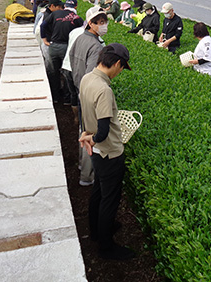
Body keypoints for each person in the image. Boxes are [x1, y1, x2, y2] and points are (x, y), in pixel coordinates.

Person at [78, 43, 135, 260]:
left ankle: (95, 231)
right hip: (109, 153)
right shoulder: (104, 90)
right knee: (109, 200)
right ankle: (106, 247)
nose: (120, 72)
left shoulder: (87, 78)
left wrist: (86, 135)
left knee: (98, 192)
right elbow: (102, 132)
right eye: (122, 68)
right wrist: (92, 139)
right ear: (117, 63)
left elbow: (85, 112)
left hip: (97, 153)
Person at [70, 6, 108, 186]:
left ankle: (81, 165)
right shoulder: (95, 46)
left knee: (83, 130)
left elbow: (71, 61)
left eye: (104, 21)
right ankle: (87, 176)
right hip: (89, 96)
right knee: (91, 134)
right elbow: (92, 76)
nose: (103, 25)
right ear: (90, 23)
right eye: (99, 22)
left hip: (80, 90)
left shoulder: (80, 38)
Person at [41, 0, 84, 104]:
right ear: (75, 7)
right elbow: (84, 31)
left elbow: (43, 25)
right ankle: (67, 99)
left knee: (54, 72)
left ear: (65, 6)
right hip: (66, 48)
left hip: (53, 47)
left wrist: (44, 40)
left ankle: (55, 97)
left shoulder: (55, 14)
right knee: (66, 73)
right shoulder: (76, 17)